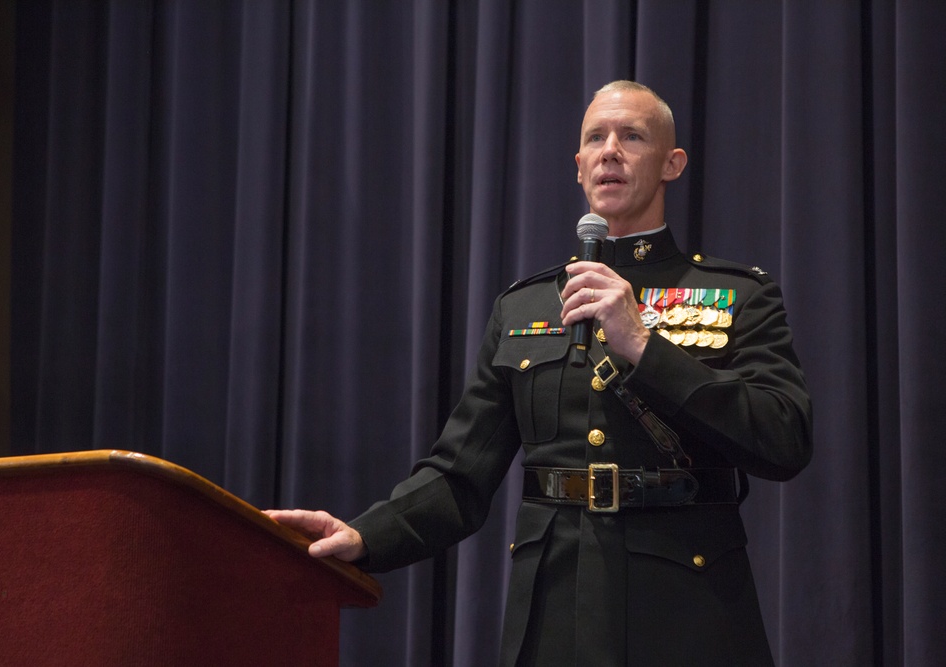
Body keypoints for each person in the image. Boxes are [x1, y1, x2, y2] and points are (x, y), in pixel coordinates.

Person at [265, 80, 812, 665]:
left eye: (632, 136)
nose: (610, 151)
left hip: (687, 605)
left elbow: (783, 439)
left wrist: (644, 346)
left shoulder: (733, 295)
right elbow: (459, 474)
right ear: (578, 168)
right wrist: (365, 536)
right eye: (595, 139)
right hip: (556, 602)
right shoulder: (524, 307)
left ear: (672, 163)